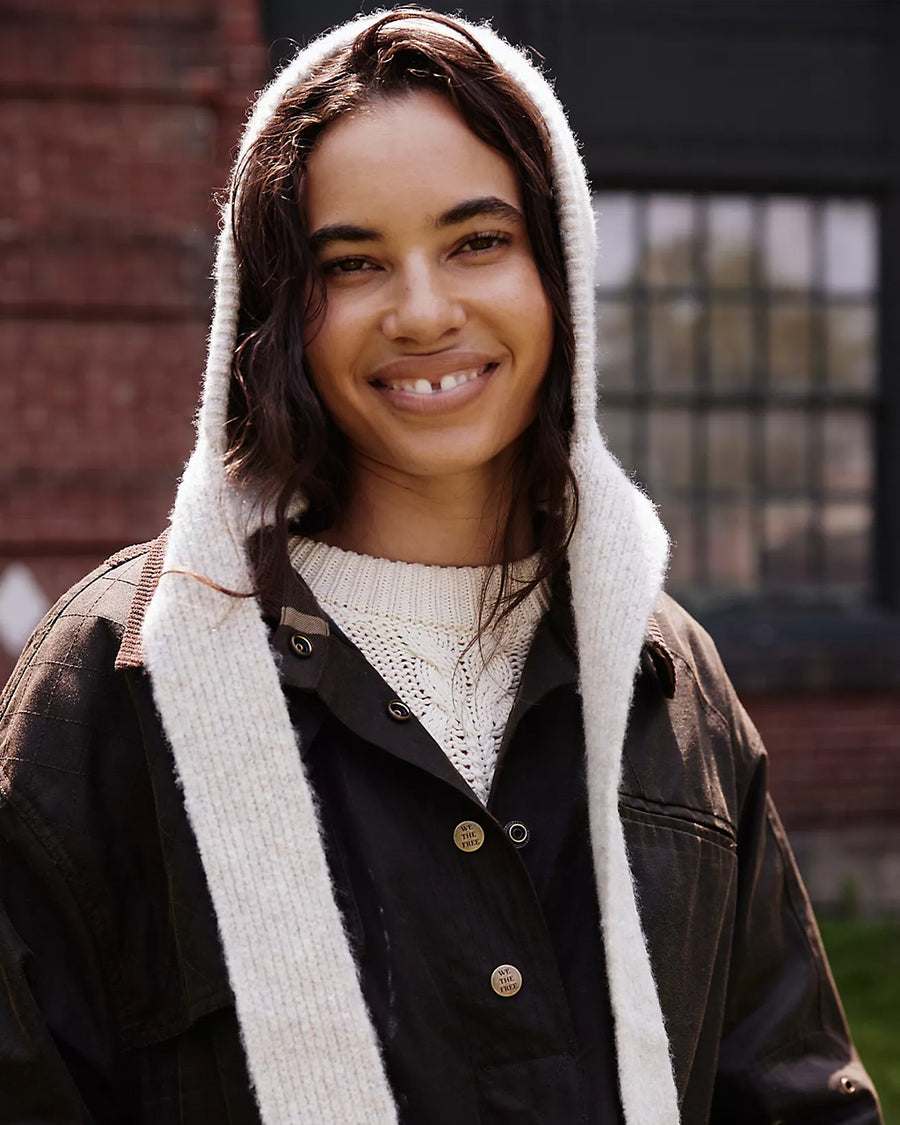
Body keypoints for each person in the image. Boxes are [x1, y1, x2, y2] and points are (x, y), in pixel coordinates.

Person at [0, 8, 882, 1124]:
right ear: (279, 311)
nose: (423, 313)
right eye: (353, 263)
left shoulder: (671, 677)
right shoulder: (112, 682)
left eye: (478, 242)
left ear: (558, 270)